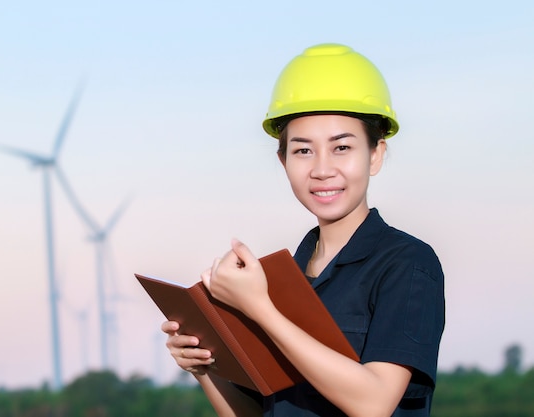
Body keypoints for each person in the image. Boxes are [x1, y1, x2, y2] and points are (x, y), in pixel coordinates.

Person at [161, 43, 445, 417]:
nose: (322, 169)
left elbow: (374, 403)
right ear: (283, 161)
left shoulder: (408, 264)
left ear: (375, 154)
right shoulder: (280, 279)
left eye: (342, 147)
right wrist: (205, 368)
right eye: (303, 151)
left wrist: (260, 309)